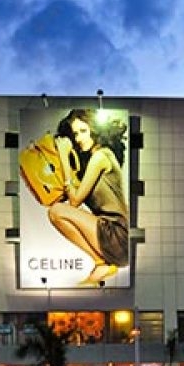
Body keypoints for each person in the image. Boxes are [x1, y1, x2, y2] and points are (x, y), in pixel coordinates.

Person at [49, 109, 130, 285]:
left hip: (118, 234)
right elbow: (65, 195)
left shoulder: (101, 156)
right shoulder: (89, 162)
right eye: (75, 134)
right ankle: (100, 263)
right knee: (56, 210)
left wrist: (64, 157)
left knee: (56, 211)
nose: (79, 138)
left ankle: (100, 263)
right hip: (112, 235)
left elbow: (74, 201)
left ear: (95, 130)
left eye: (83, 131)